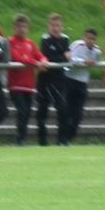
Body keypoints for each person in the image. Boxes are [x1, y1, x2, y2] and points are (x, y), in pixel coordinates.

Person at [8, 14, 48, 145]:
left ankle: (22, 138)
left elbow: (41, 56)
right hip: (16, 85)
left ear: (28, 28)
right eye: (19, 26)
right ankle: (20, 139)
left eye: (24, 27)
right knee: (22, 111)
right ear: (14, 28)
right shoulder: (10, 42)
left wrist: (43, 61)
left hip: (29, 86)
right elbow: (18, 58)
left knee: (27, 112)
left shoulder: (30, 43)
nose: (22, 29)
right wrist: (36, 63)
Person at [36, 13, 70, 146]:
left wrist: (61, 57)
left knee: (62, 109)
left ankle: (62, 140)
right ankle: (42, 141)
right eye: (53, 26)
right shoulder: (45, 39)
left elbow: (66, 58)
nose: (55, 28)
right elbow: (47, 57)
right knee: (42, 111)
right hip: (45, 80)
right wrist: (62, 57)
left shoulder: (65, 39)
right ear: (48, 27)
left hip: (59, 79)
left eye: (58, 26)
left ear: (62, 27)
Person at [66, 28, 101, 143]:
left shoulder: (97, 51)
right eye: (88, 38)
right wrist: (83, 61)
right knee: (67, 111)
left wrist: (89, 63)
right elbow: (70, 59)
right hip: (70, 80)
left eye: (93, 39)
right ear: (84, 38)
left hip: (82, 83)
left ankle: (69, 137)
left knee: (78, 114)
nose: (90, 41)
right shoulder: (77, 45)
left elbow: (95, 61)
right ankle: (63, 137)